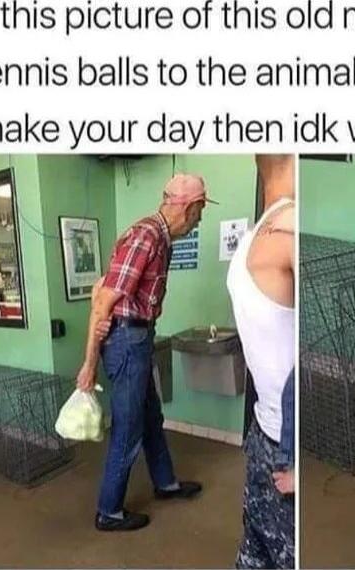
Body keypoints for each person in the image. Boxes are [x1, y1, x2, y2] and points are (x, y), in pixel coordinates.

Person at [76, 173, 213, 532]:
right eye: (200, 210)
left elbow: (104, 291)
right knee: (128, 427)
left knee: (150, 416)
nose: (200, 218)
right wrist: (89, 365)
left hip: (137, 338)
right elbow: (104, 299)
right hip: (127, 341)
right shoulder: (146, 236)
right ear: (186, 206)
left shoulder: (159, 238)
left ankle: (165, 483)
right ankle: (109, 511)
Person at [228, 155, 295, 569]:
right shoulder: (287, 232)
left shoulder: (252, 239)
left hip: (263, 438)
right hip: (282, 448)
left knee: (255, 554)